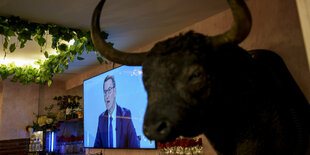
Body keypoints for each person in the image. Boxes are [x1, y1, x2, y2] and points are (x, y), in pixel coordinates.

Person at [94, 75, 140, 148]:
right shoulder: (101, 118)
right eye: (105, 92)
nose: (107, 96)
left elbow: (134, 146)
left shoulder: (125, 115)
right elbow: (96, 147)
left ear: (115, 91)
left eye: (109, 90)